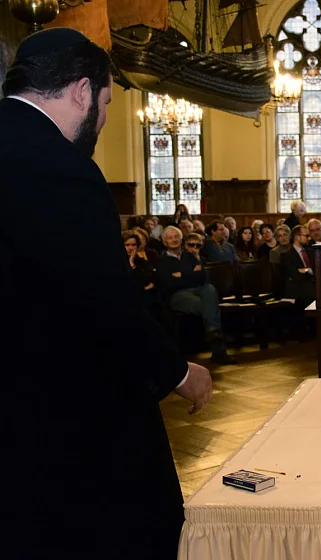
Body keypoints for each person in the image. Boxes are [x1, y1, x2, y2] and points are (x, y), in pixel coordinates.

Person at [0, 28, 212, 559]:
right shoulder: (58, 166)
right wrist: (179, 372)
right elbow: (101, 299)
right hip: (62, 425)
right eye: (109, 100)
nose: (107, 116)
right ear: (81, 91)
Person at [156, 226, 236, 365]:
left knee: (210, 289)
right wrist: (190, 274)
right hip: (177, 296)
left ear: (181, 239)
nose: (174, 240)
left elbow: (202, 277)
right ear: (164, 242)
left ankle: (213, 333)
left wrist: (181, 275)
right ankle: (218, 347)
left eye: (176, 237)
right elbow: (169, 283)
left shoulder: (189, 256)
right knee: (210, 307)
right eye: (170, 237)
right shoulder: (162, 261)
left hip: (199, 291)